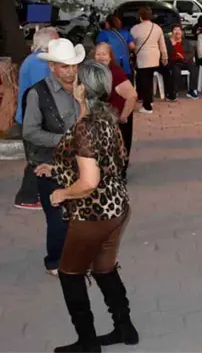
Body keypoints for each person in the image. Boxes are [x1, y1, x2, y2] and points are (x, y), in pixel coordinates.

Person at [36, 60, 138, 352]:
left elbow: (89, 181)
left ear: (82, 89)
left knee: (70, 274)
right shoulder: (106, 118)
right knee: (104, 268)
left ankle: (87, 342)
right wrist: (58, 168)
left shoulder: (86, 127)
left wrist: (62, 193)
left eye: (76, 79)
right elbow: (105, 161)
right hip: (117, 208)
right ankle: (125, 329)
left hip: (92, 213)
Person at [24, 38, 84, 275]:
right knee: (58, 218)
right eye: (64, 66)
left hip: (81, 163)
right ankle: (55, 261)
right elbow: (30, 132)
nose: (70, 72)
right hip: (49, 164)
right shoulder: (37, 93)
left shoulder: (84, 89)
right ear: (51, 66)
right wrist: (62, 141)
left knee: (80, 215)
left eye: (73, 66)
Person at [14, 27, 59, 210]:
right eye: (57, 40)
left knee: (38, 157)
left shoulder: (34, 60)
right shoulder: (40, 63)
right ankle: (27, 197)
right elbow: (45, 93)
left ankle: (33, 194)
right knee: (38, 159)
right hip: (34, 119)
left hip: (29, 117)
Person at [92, 43, 137, 175]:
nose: (101, 57)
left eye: (104, 54)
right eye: (98, 54)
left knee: (120, 147)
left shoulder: (115, 73)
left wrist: (123, 116)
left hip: (120, 115)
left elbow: (132, 96)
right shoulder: (96, 71)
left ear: (110, 57)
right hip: (105, 116)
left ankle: (119, 173)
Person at [131, 7, 168, 114]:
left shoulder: (135, 29)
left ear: (140, 16)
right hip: (155, 57)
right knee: (149, 79)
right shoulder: (157, 28)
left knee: (145, 82)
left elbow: (131, 44)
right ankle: (150, 101)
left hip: (142, 57)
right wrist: (164, 57)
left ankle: (147, 107)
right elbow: (162, 44)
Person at [95, 15, 135, 81]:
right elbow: (132, 46)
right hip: (125, 65)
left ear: (107, 23)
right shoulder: (126, 33)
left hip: (111, 66)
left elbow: (99, 48)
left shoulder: (103, 34)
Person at [166, 24, 199, 99]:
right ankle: (175, 91)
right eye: (175, 30)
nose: (177, 32)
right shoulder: (168, 42)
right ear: (172, 32)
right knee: (176, 70)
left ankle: (192, 90)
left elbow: (191, 52)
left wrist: (184, 57)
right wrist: (173, 44)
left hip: (185, 60)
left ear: (181, 32)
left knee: (194, 68)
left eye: (179, 30)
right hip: (175, 62)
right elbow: (167, 54)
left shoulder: (186, 42)